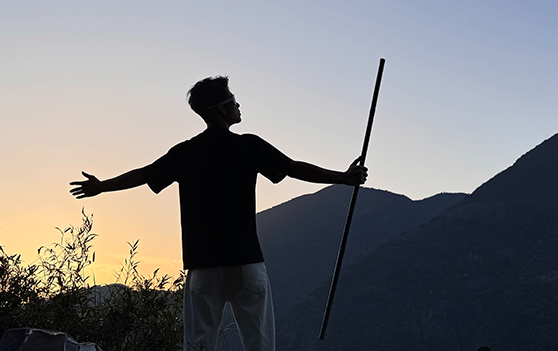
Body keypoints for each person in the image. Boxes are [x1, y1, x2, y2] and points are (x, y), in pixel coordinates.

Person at [70, 76, 367, 351]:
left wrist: (102, 186)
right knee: (260, 345)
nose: (238, 105)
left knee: (198, 346)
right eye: (233, 100)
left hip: (204, 268)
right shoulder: (248, 145)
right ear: (223, 109)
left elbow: (144, 174)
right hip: (247, 264)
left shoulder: (186, 152)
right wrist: (343, 178)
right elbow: (293, 168)